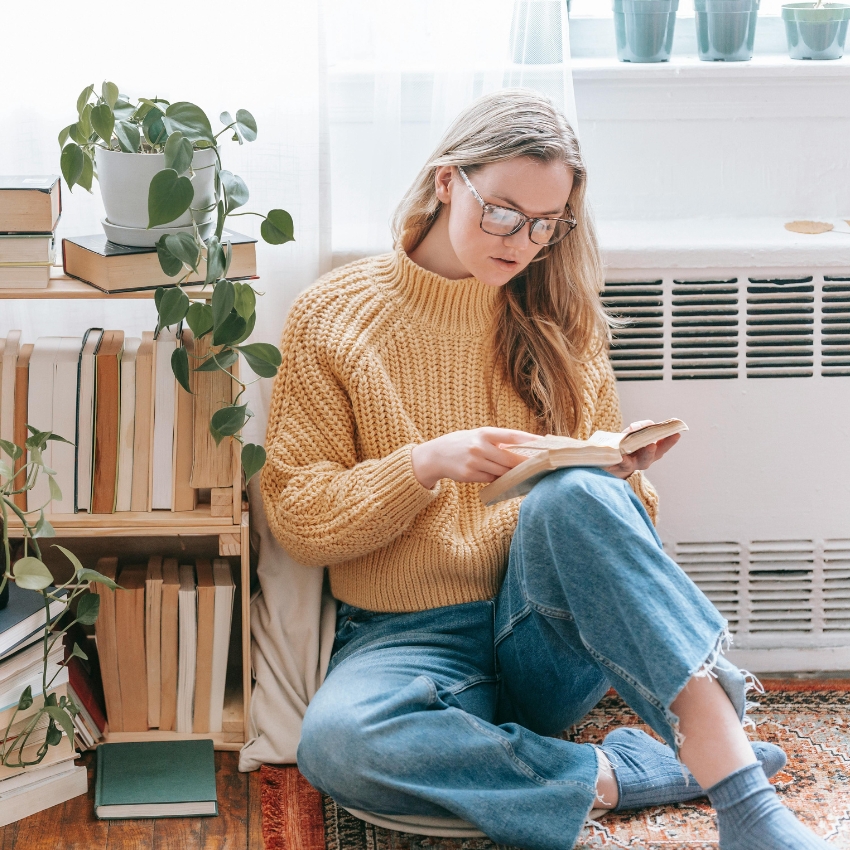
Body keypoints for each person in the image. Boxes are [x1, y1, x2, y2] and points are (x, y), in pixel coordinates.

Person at [261, 89, 826, 850]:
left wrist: (623, 479)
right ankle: (618, 772)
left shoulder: (558, 316)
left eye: (545, 224)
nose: (522, 241)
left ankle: (746, 804)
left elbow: (614, 545)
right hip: (406, 640)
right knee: (337, 744)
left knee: (577, 490)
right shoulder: (334, 316)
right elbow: (298, 514)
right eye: (502, 212)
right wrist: (422, 464)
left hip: (544, 629)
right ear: (446, 181)